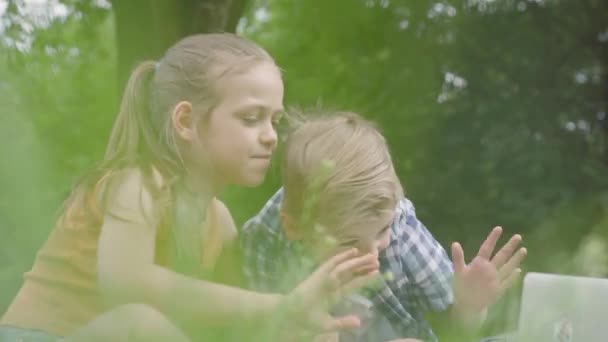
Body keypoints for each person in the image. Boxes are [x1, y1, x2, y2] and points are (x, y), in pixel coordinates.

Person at [0, 34, 379, 342]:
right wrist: (281, 304)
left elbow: (229, 330)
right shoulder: (139, 184)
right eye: (251, 118)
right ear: (185, 120)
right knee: (141, 323)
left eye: (275, 121)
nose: (270, 138)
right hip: (35, 336)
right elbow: (125, 284)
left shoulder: (222, 223)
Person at [241, 111, 527, 341]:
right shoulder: (266, 242)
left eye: (381, 232)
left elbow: (457, 333)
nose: (371, 254)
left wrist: (469, 308)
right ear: (294, 228)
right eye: (349, 242)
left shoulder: (402, 231)